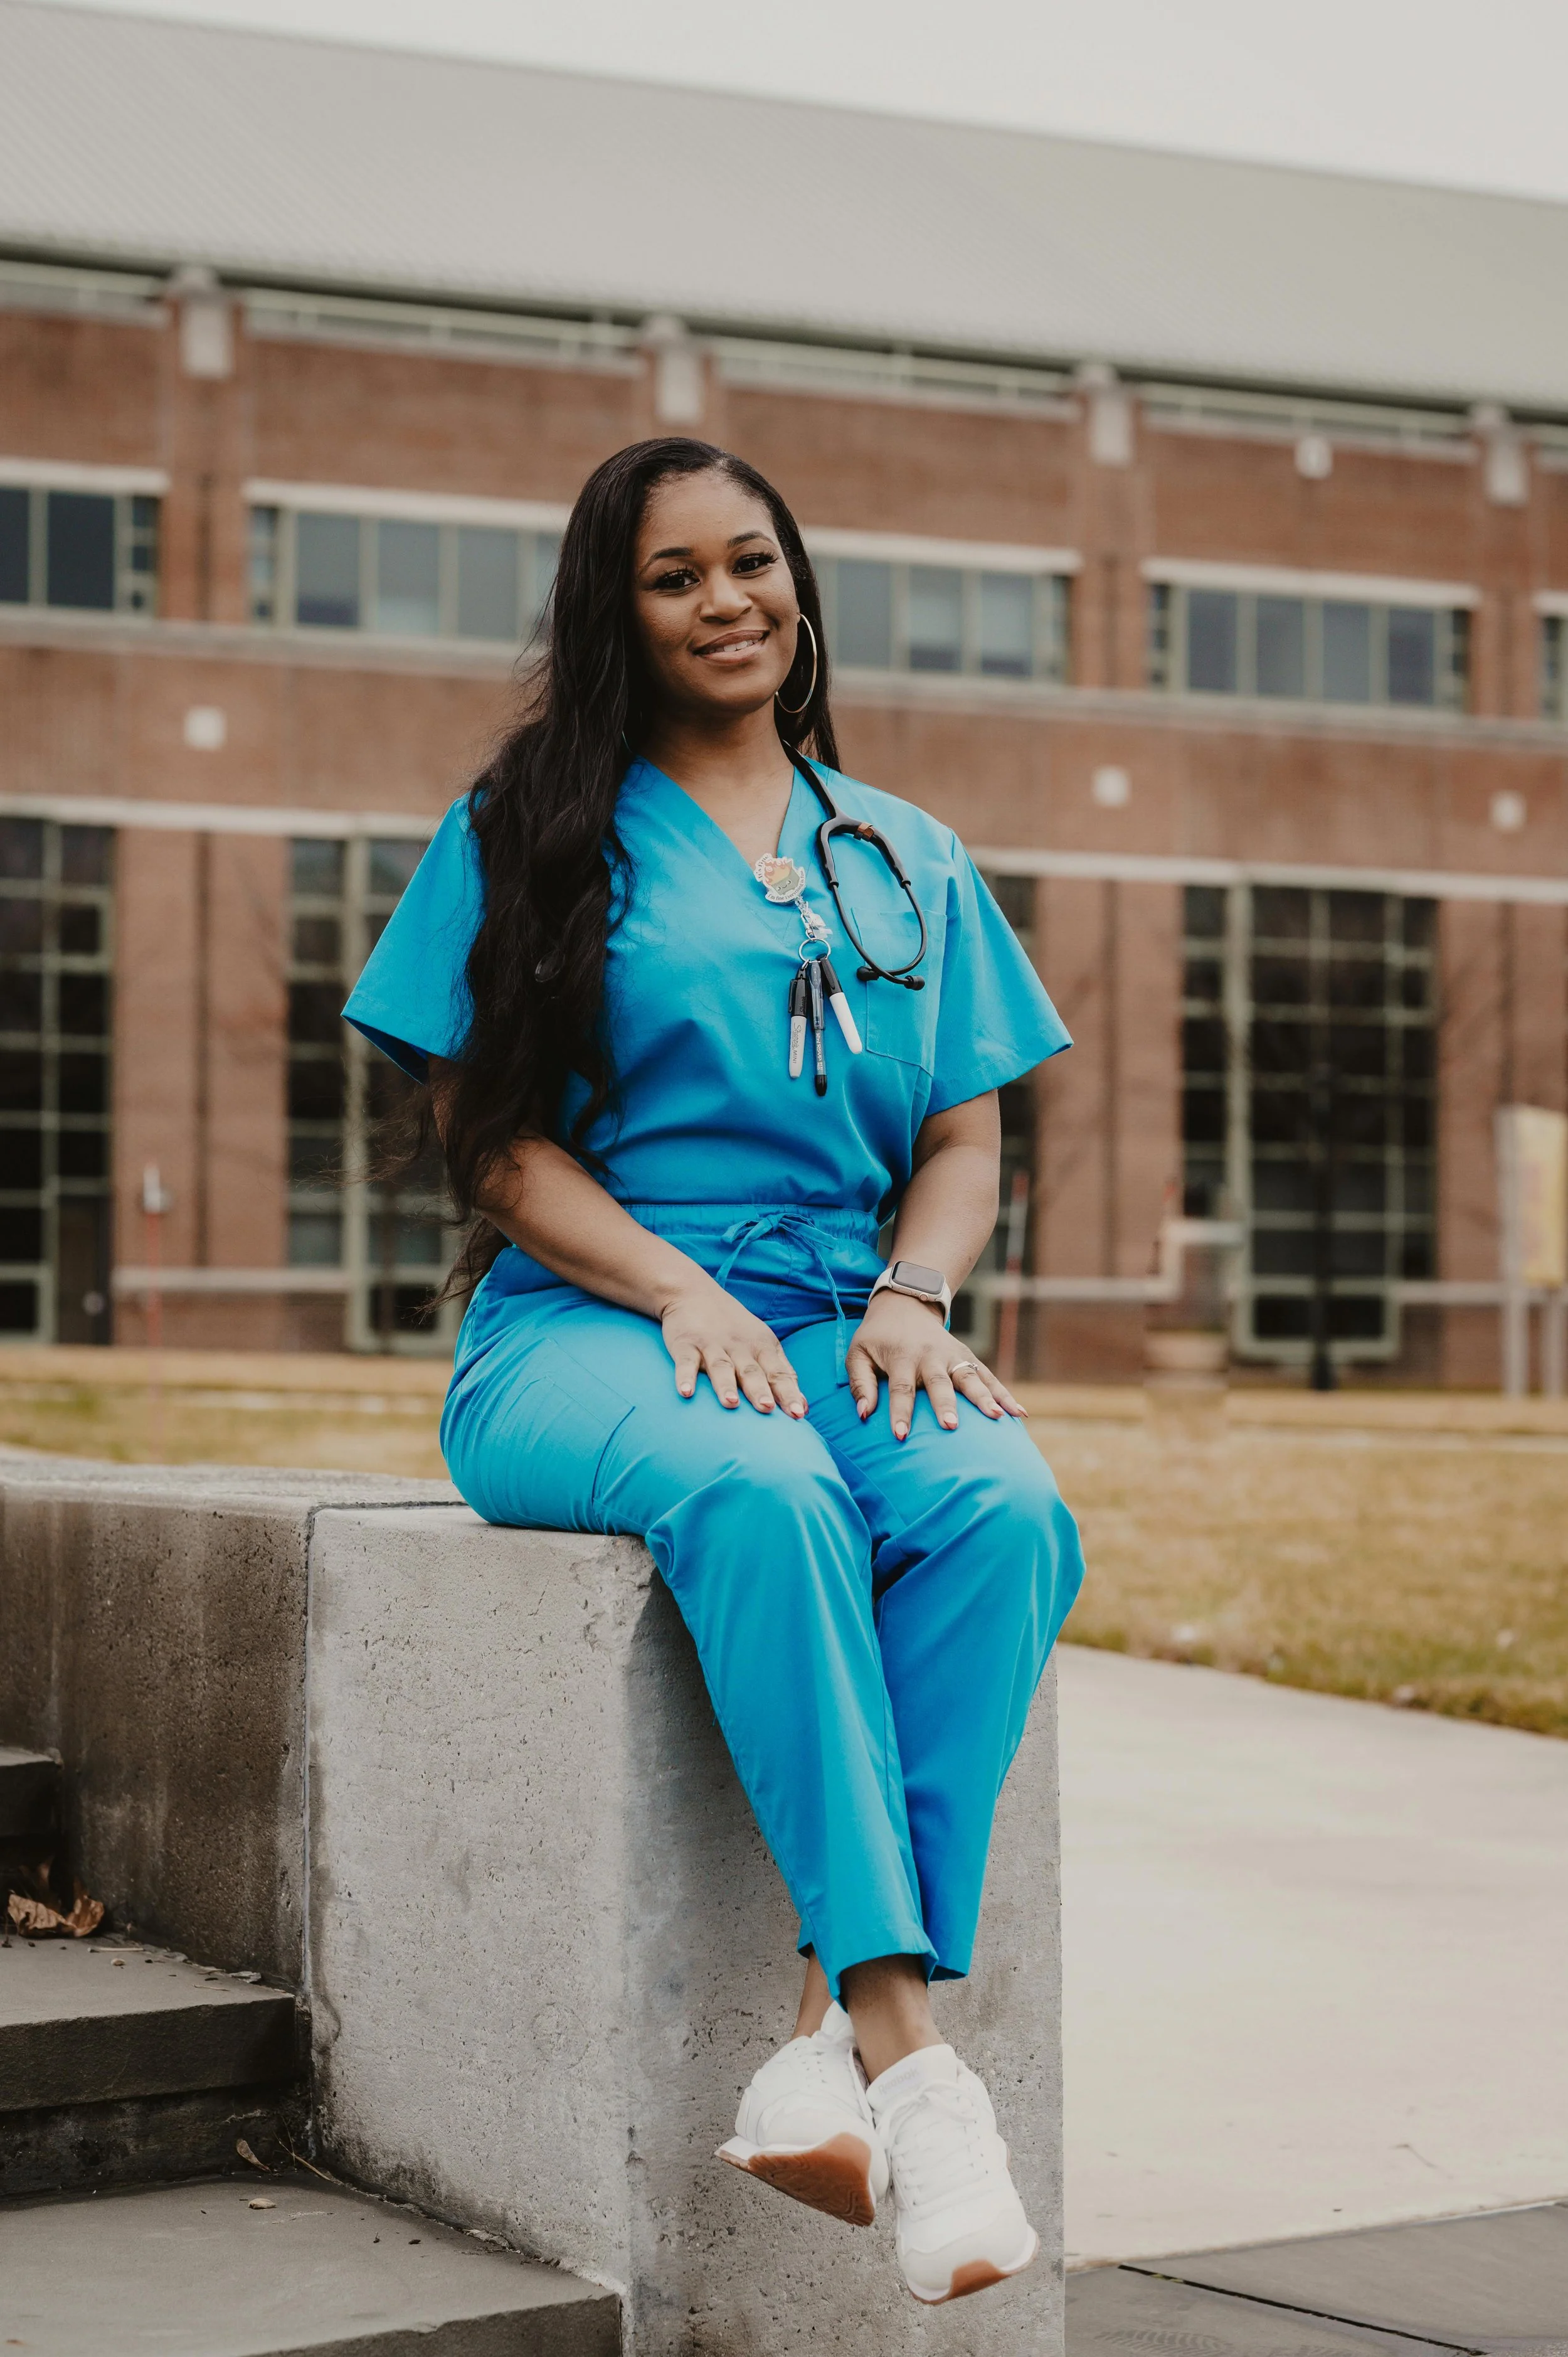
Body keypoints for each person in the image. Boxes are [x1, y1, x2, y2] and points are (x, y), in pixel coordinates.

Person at [343, 437, 1085, 2307]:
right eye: (675, 576)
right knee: (758, 1489)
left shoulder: (901, 848)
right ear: (621, 611)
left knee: (1003, 1508)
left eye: (750, 562)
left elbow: (966, 1135)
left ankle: (832, 2056)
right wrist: (676, 1283)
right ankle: (915, 2069)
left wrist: (915, 1293)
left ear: (797, 582)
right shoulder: (530, 829)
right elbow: (487, 1142)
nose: (725, 600)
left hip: (845, 1318)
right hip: (586, 1323)